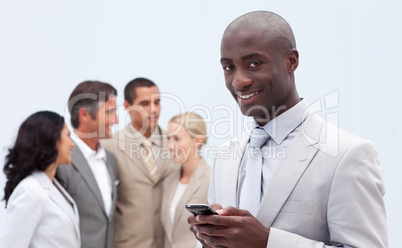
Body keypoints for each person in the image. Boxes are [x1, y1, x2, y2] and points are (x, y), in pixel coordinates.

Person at [188, 11, 388, 248]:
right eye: (228, 67)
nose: (238, 81)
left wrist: (267, 242)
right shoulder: (225, 156)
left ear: (291, 61)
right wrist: (212, 237)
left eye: (254, 64)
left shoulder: (348, 154)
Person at [101, 77, 180, 248]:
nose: (153, 110)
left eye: (157, 102)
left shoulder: (177, 142)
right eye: (144, 104)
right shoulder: (109, 146)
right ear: (128, 107)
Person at [0, 111, 80, 248]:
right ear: (51, 138)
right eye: (67, 135)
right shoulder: (29, 191)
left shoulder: (54, 185)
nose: (72, 144)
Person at [56, 80, 119, 248]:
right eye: (110, 112)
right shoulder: (59, 162)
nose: (117, 120)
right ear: (84, 115)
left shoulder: (111, 160)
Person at [161, 112, 211, 248]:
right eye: (168, 138)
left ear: (198, 140)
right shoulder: (169, 181)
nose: (170, 145)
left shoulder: (211, 180)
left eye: (176, 139)